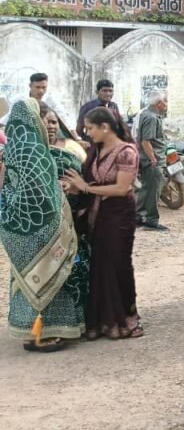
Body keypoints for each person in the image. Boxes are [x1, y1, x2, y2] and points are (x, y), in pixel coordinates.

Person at [0, 100, 88, 352]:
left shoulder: (12, 150)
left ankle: (29, 330)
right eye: (43, 119)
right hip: (45, 231)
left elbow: (7, 190)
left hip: (18, 231)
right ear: (34, 121)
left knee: (26, 278)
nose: (48, 125)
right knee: (51, 276)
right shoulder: (35, 153)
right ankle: (47, 331)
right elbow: (42, 195)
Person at [65, 107, 143, 340]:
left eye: (90, 128)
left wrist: (86, 187)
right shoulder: (97, 150)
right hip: (98, 216)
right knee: (99, 266)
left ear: (105, 127)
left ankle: (125, 320)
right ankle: (102, 321)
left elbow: (122, 188)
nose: (88, 133)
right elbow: (89, 181)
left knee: (117, 265)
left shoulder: (126, 152)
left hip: (118, 216)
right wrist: (75, 187)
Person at [135, 90, 168, 231]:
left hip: (148, 159)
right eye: (165, 101)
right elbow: (146, 142)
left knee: (146, 189)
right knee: (153, 190)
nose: (167, 105)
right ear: (160, 104)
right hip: (153, 159)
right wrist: (153, 159)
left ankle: (139, 218)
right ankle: (151, 220)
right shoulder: (152, 118)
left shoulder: (146, 114)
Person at [77, 80, 121, 144]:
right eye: (104, 91)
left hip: (110, 144)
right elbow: (79, 128)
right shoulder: (88, 107)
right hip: (93, 144)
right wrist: (87, 140)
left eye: (110, 91)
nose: (108, 94)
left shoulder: (114, 106)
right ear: (97, 92)